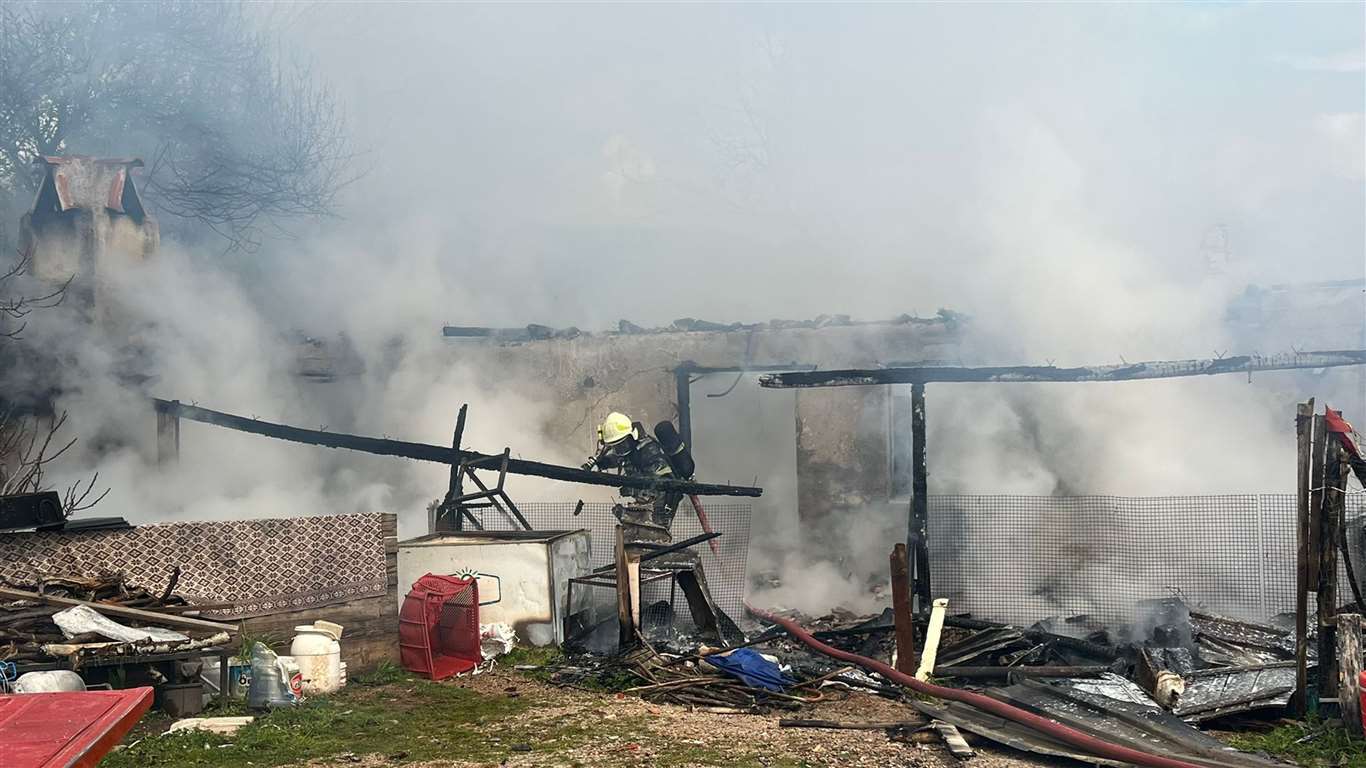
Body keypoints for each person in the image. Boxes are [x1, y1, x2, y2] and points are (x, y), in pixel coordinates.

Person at [582, 411, 683, 529]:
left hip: (664, 502)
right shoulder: (630, 448)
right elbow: (619, 459)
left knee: (654, 533)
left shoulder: (649, 451)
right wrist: (604, 462)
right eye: (616, 447)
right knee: (636, 528)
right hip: (646, 500)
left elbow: (663, 485)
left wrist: (632, 489)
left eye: (621, 445)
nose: (620, 450)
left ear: (631, 436)